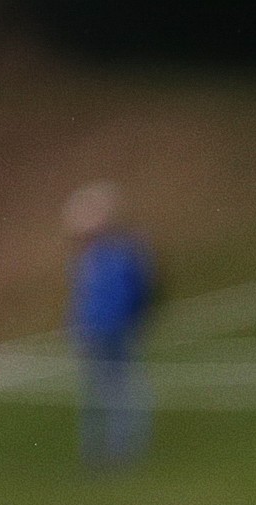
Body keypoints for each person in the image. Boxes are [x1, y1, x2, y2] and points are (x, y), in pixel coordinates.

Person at [63, 183, 157, 469]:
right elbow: (82, 297)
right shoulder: (88, 258)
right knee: (100, 393)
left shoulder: (118, 253)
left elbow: (131, 292)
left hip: (111, 331)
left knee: (118, 391)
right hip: (96, 332)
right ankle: (98, 454)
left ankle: (118, 453)